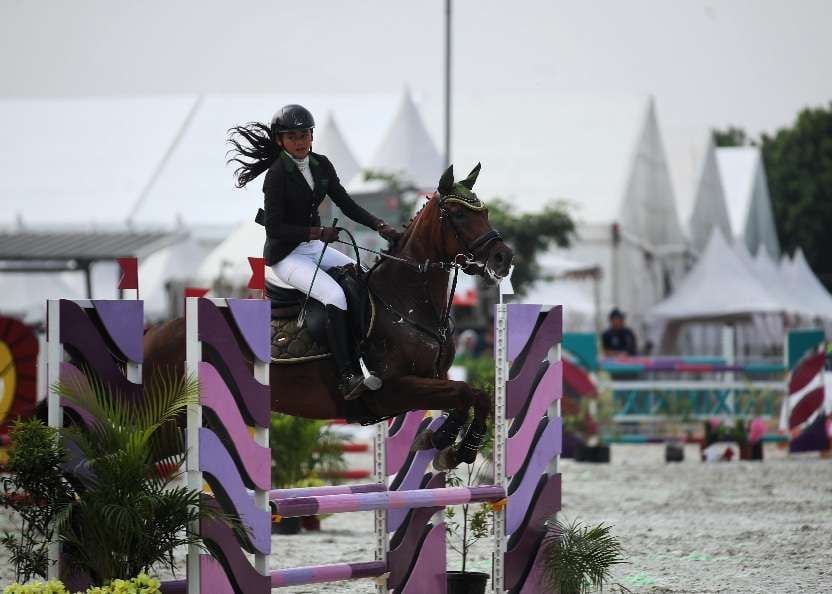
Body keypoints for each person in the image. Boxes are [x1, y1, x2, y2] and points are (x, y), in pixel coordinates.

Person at [228, 104, 403, 400]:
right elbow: (275, 228)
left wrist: (380, 225)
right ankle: (347, 375)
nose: (299, 141)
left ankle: (367, 354)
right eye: (292, 136)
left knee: (362, 279)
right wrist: (317, 233)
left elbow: (346, 204)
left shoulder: (321, 165)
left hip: (313, 249)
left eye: (304, 135)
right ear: (280, 140)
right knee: (334, 295)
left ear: (312, 135)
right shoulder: (276, 175)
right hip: (286, 256)